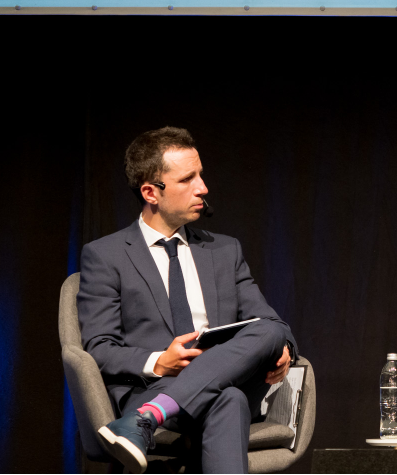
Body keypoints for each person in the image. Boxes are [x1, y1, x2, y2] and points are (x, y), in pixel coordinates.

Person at [77, 127, 299, 474]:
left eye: (201, 175)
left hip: (230, 376)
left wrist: (283, 347)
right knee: (229, 399)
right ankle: (154, 407)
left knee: (271, 332)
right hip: (155, 384)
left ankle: (149, 417)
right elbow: (99, 347)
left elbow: (269, 323)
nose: (203, 188)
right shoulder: (106, 256)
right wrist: (160, 361)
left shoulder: (224, 250)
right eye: (187, 179)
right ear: (151, 192)